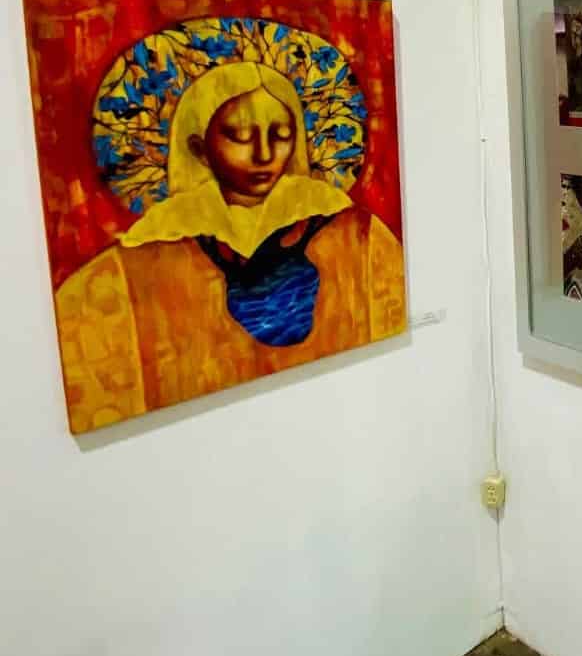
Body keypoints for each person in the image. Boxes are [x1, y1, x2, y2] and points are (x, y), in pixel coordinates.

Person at [53, 62, 405, 433]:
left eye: (281, 134)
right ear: (199, 149)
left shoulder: (356, 233)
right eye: (239, 135)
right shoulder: (138, 259)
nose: (264, 153)